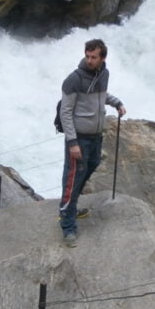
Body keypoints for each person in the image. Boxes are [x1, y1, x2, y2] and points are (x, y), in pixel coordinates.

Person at [58, 38, 126, 247]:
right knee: (73, 178)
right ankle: (68, 226)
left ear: (102, 57)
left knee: (91, 166)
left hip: (96, 135)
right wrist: (72, 143)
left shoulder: (103, 73)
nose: (89, 60)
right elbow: (65, 112)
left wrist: (117, 103)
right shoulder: (74, 80)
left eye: (93, 57)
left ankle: (70, 207)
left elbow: (101, 96)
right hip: (79, 137)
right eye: (87, 56)